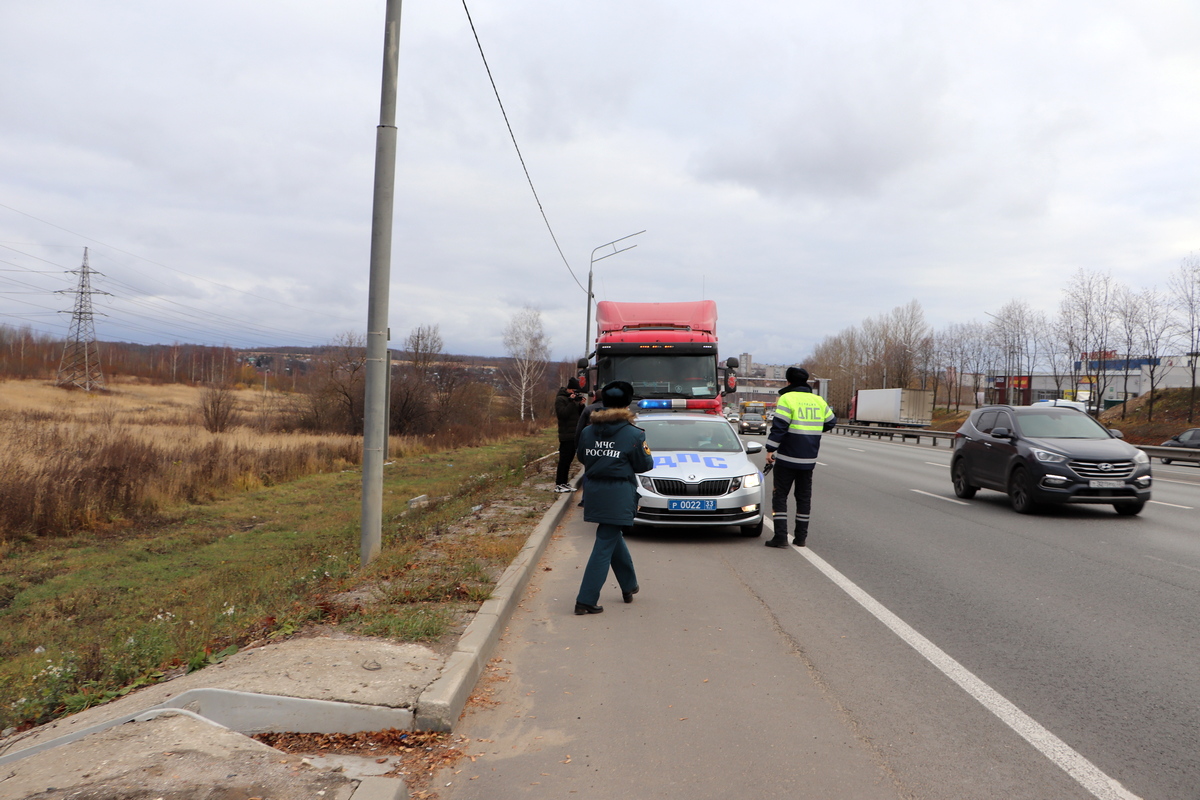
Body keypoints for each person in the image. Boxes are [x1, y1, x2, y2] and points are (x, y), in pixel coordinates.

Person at [573, 381, 653, 614]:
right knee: (604, 543)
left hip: (595, 491)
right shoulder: (633, 434)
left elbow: (582, 457)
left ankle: (629, 585)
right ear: (628, 404)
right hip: (619, 493)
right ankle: (585, 600)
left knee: (612, 535)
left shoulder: (588, 431)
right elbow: (644, 464)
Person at [763, 367, 836, 548]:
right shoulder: (818, 400)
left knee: (780, 496)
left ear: (789, 382)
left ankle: (780, 537)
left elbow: (779, 426)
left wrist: (771, 449)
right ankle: (801, 538)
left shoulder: (787, 398)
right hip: (808, 460)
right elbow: (831, 421)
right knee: (804, 498)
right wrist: (813, 431)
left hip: (787, 457)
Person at [553, 377, 585, 492]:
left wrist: (581, 405)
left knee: (569, 461)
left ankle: (564, 482)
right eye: (574, 391)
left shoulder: (573, 400)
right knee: (564, 460)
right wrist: (571, 402)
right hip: (566, 435)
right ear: (570, 389)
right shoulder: (560, 399)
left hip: (574, 435)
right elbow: (563, 415)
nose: (575, 394)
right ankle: (559, 484)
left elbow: (579, 416)